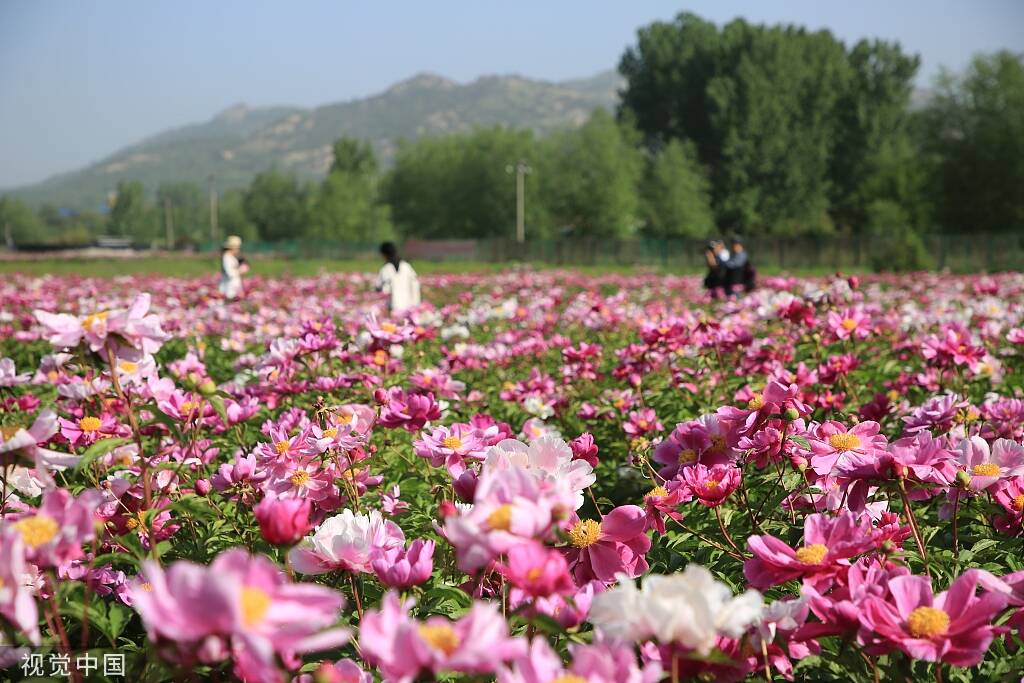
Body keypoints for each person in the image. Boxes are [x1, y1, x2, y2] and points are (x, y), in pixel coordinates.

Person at [375, 241, 421, 313]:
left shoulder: (386, 269)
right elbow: (415, 286)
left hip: (392, 307)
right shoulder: (407, 267)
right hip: (409, 308)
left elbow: (379, 288)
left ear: (384, 254)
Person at [219, 235, 247, 300]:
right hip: (229, 289)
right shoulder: (227, 257)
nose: (238, 250)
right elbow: (230, 273)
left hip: (233, 288)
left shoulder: (230, 257)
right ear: (233, 247)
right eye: (238, 248)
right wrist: (241, 270)